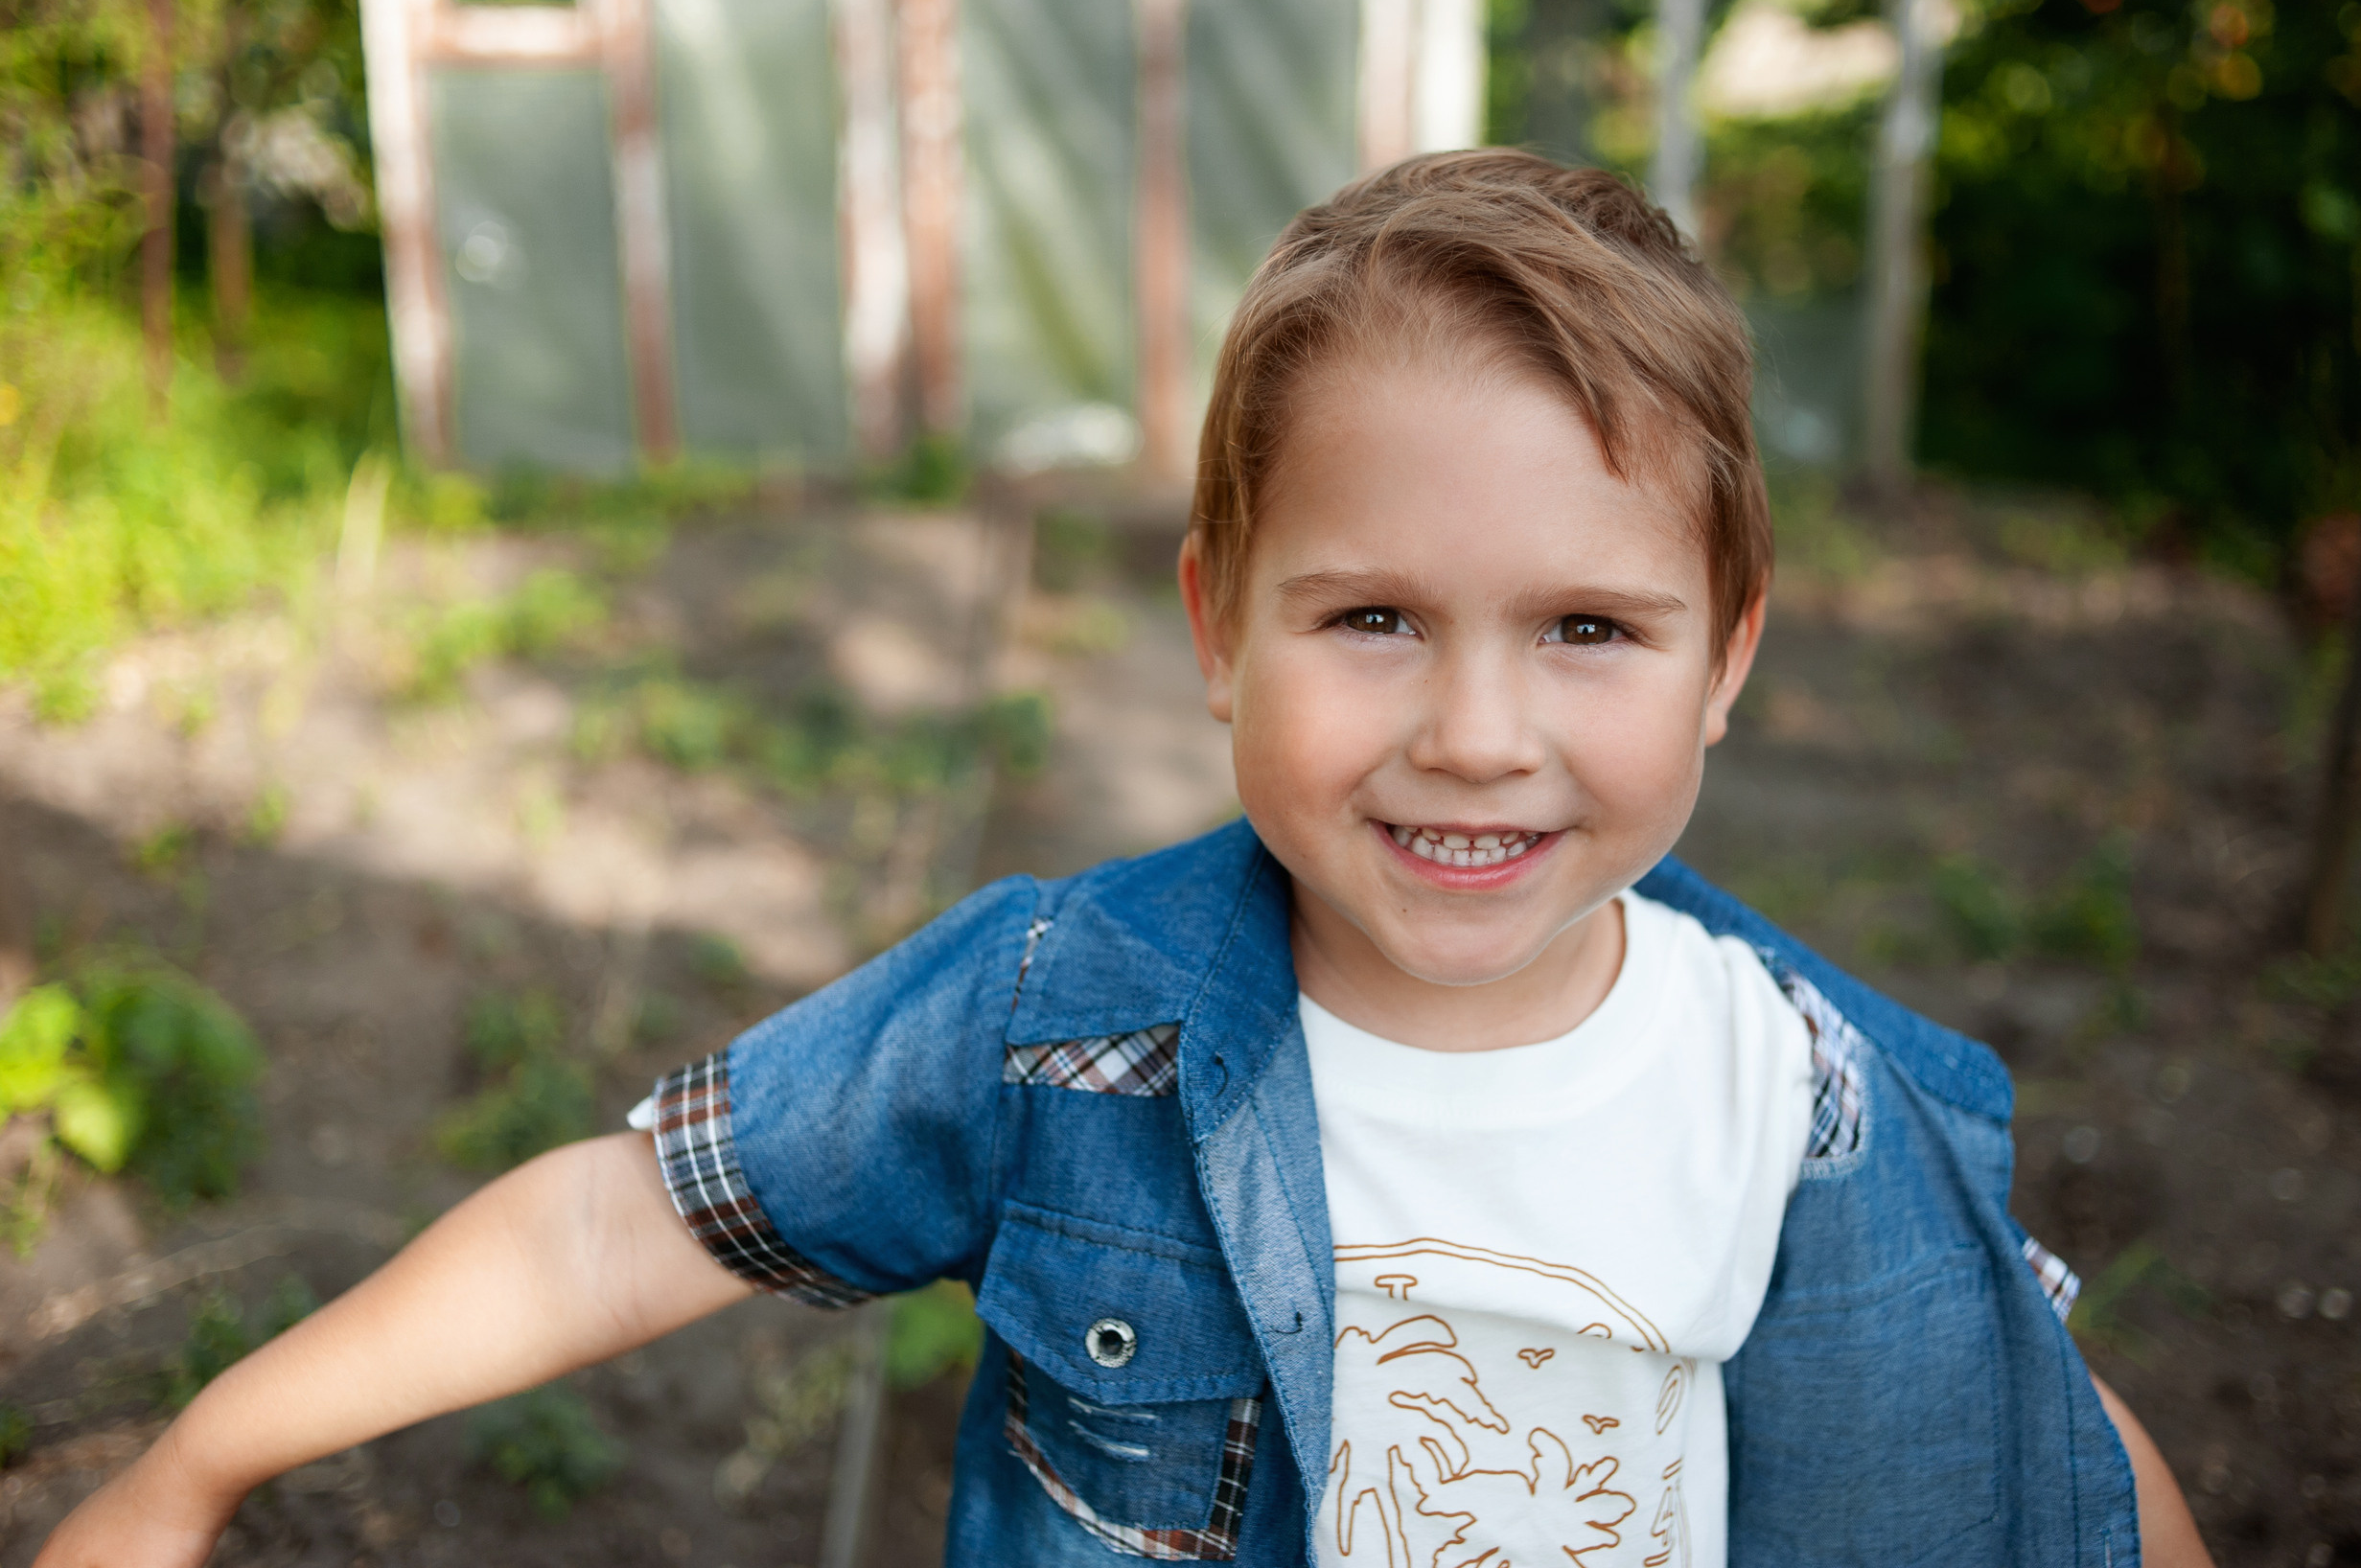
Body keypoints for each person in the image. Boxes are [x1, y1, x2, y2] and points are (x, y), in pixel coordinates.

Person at [34, 150, 2214, 1568]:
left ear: (1724, 652)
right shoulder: (1060, 1028)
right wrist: (199, 1458)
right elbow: (629, 1227)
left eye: (1586, 629)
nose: (1474, 733)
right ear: (1213, 628)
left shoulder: (1809, 1096)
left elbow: (2051, 1453)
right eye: (1370, 618)